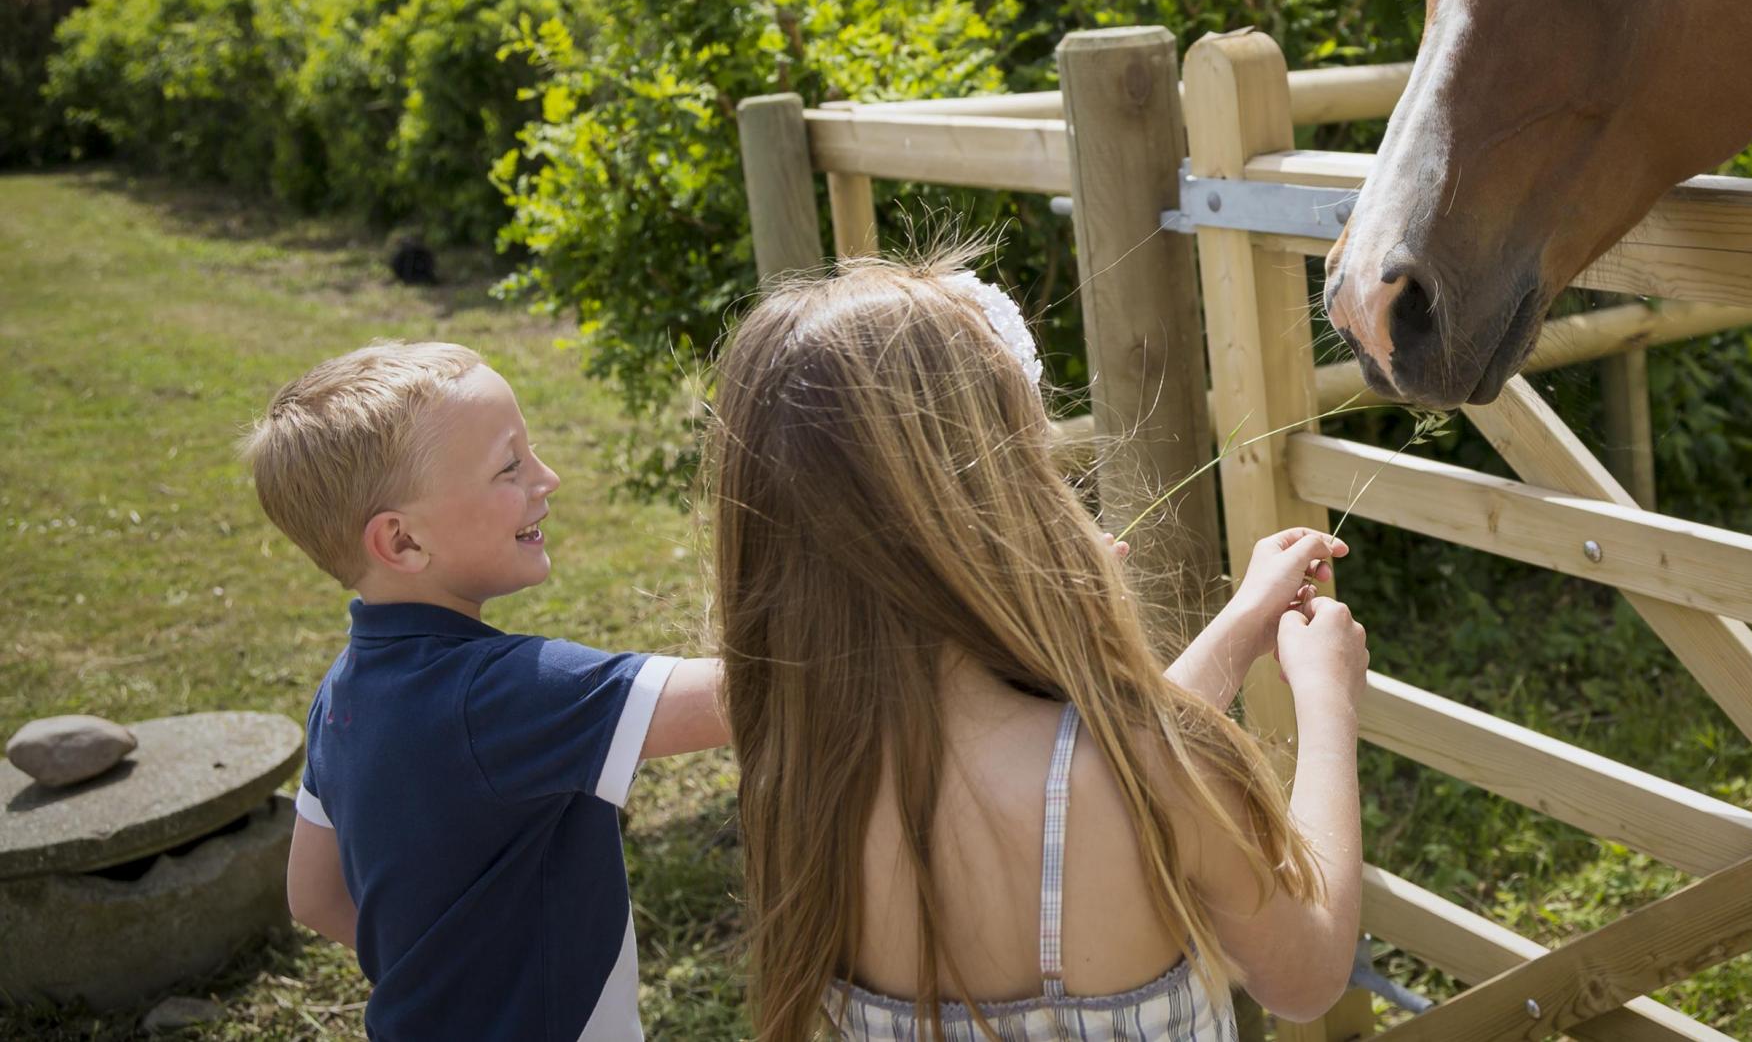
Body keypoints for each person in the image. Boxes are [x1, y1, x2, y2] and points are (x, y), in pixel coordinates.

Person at [707, 256, 1368, 1042]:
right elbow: (1307, 976)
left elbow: (1096, 782)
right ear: (997, 503)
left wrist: (1243, 623)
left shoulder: (801, 780)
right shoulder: (1160, 775)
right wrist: (1327, 702)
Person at [244, 341, 730, 1041]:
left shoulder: (339, 699)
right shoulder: (503, 695)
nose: (548, 478)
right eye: (511, 466)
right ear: (402, 542)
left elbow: (313, 895)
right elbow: (752, 697)